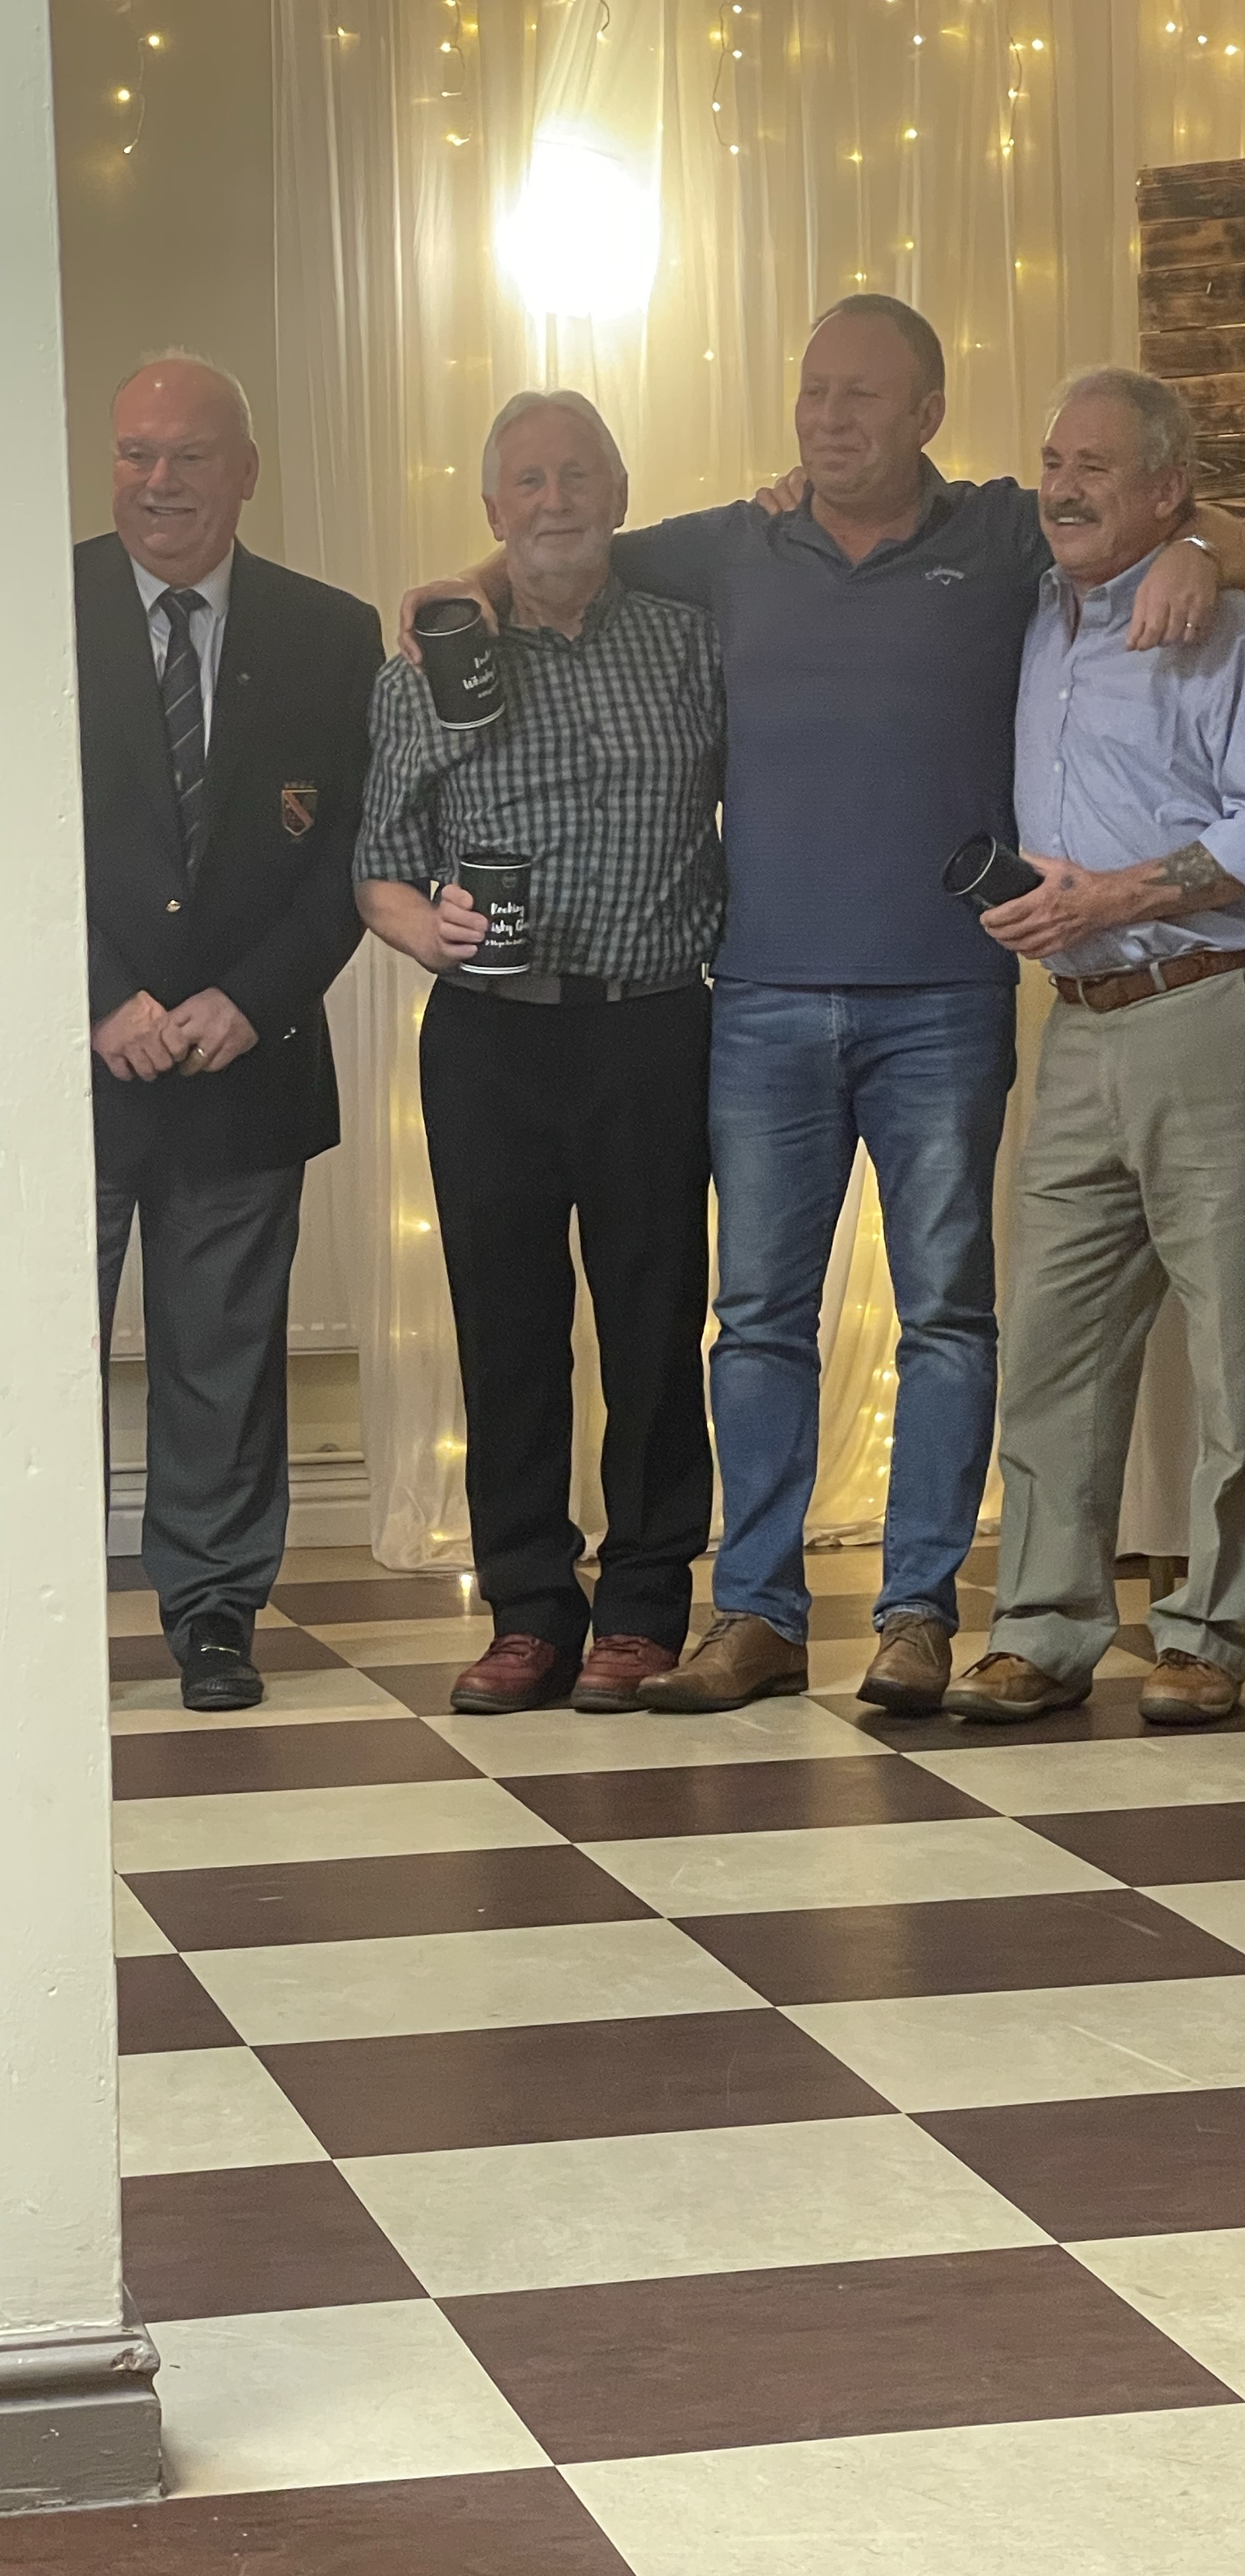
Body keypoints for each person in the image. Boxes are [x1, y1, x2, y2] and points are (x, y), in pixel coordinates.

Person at [399, 296, 1245, 1717]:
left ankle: (916, 1615)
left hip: (945, 999)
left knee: (947, 1315)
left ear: (928, 413)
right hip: (762, 999)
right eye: (814, 392)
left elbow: (1197, 522)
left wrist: (1202, 551)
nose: (830, 419)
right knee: (756, 1321)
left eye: (864, 395)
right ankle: (757, 1615)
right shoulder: (735, 545)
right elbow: (572, 542)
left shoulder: (1001, 530)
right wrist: (470, 585)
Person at [942, 368, 1245, 1729]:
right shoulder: (1031, 617)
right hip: (1081, 1026)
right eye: (1054, 461)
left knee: (1238, 1351)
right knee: (1052, 1344)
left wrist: (1108, 897)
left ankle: (1209, 1633)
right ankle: (1043, 1630)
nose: (1062, 488)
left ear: (1170, 490)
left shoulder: (1231, 633)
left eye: (1097, 468)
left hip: (1220, 1008)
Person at [355, 391, 725, 1713]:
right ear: (492, 510)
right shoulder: (430, 665)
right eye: (528, 480)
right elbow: (379, 867)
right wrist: (426, 930)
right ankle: (527, 1612)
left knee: (654, 1324)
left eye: (577, 476)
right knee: (506, 1332)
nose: (555, 500)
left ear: (618, 495)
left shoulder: (692, 644)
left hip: (654, 1024)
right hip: (490, 1037)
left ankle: (644, 1608)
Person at [82, 353, 380, 1713]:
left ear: (245, 472)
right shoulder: (34, 610)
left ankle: (212, 1613)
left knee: (223, 1364)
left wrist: (252, 1001)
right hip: (68, 1075)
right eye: (136, 453)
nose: (159, 482)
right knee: (35, 1361)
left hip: (245, 1064)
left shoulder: (332, 634)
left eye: (189, 455)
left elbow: (353, 856)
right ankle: (32, 1610)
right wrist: (99, 998)